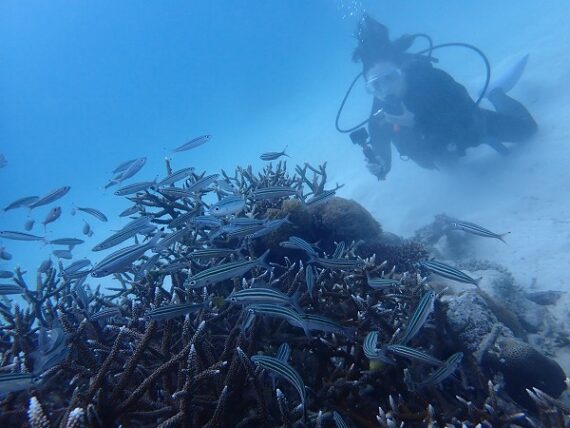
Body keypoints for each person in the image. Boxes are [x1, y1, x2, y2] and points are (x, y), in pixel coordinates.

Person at [350, 15, 538, 180]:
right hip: (440, 152)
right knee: (451, 169)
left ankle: (495, 93)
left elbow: (469, 116)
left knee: (528, 130)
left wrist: (417, 122)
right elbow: (382, 157)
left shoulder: (432, 80)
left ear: (402, 72)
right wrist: (380, 166)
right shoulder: (380, 114)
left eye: (390, 78)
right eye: (375, 85)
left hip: (472, 129)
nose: (385, 90)